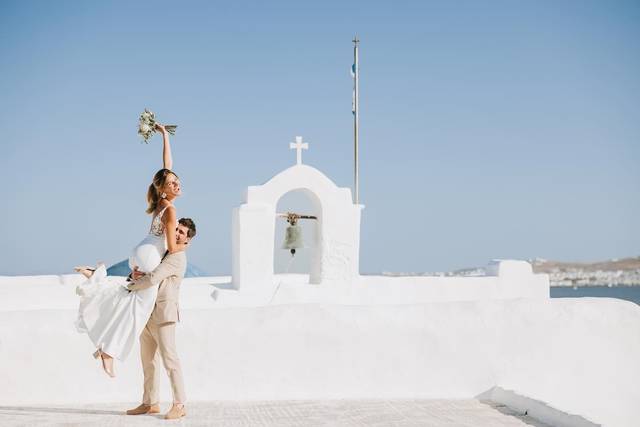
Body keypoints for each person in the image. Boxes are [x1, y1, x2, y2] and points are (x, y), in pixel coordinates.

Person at [75, 123, 183, 377]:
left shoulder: (160, 202)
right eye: (172, 183)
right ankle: (109, 352)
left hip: (141, 250)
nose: (177, 185)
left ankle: (98, 276)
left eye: (177, 181)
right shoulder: (171, 210)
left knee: (129, 296)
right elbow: (171, 247)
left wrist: (165, 136)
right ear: (163, 188)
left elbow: (167, 165)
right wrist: (185, 244)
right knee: (139, 309)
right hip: (150, 255)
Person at [125, 217, 195, 420]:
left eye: (182, 232)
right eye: (177, 229)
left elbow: (154, 277)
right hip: (148, 313)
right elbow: (147, 273)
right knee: (148, 361)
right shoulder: (164, 253)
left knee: (170, 361)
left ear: (188, 240)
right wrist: (134, 276)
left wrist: (130, 285)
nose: (177, 233)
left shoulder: (177, 257)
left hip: (164, 316)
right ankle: (150, 403)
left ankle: (180, 404)